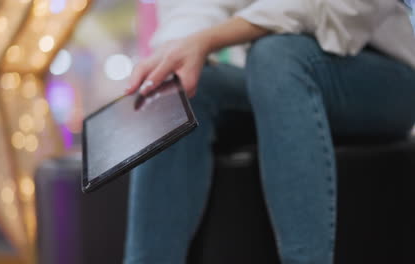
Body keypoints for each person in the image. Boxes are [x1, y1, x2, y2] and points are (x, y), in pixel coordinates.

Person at [124, 1, 415, 263]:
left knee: (276, 55)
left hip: (384, 76)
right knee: (179, 91)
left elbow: (329, 6)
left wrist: (208, 39)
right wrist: (175, 50)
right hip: (274, 79)